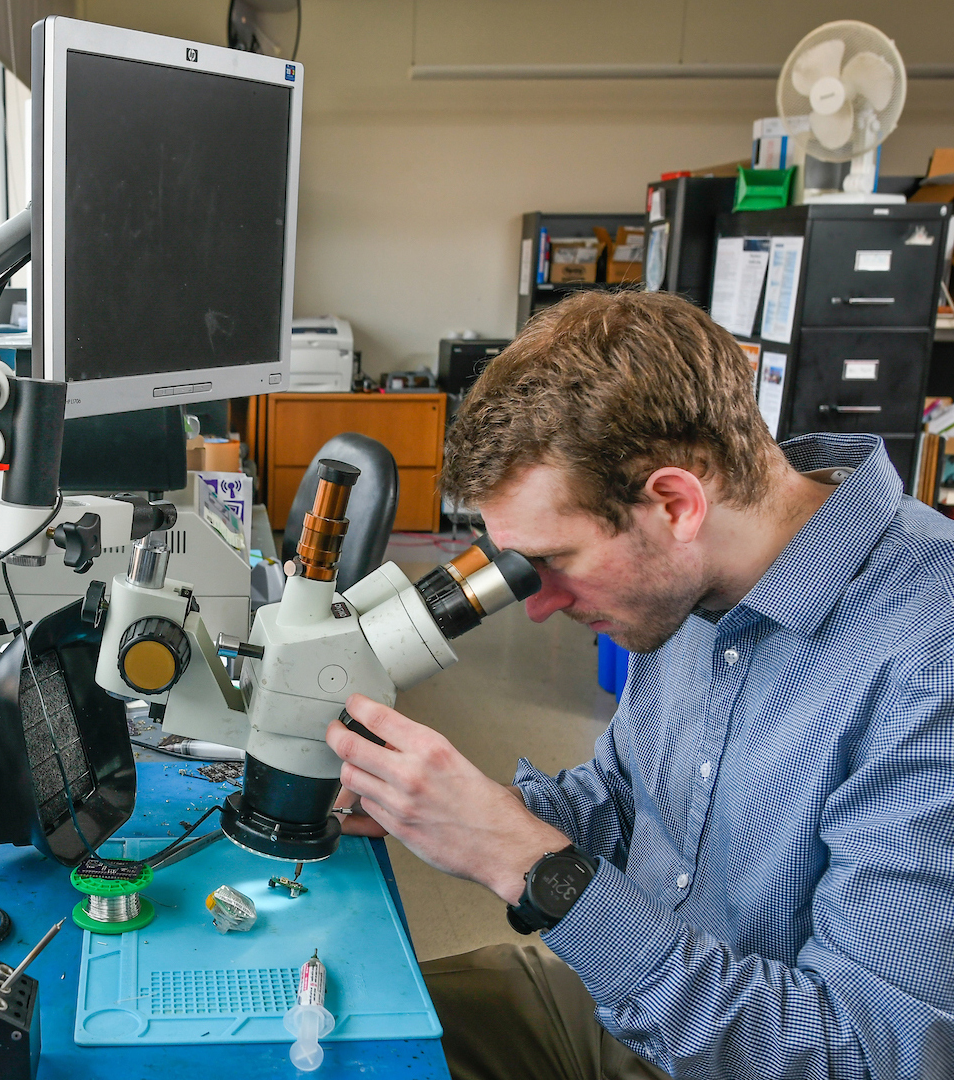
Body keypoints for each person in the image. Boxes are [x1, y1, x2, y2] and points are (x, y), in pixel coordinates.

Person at [328, 290, 954, 1080]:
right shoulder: (685, 585)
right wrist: (440, 805)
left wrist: (532, 866)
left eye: (552, 562)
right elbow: (627, 803)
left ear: (675, 502)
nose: (540, 603)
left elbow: (859, 1058)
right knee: (305, 1045)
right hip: (623, 1010)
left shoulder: (930, 660)